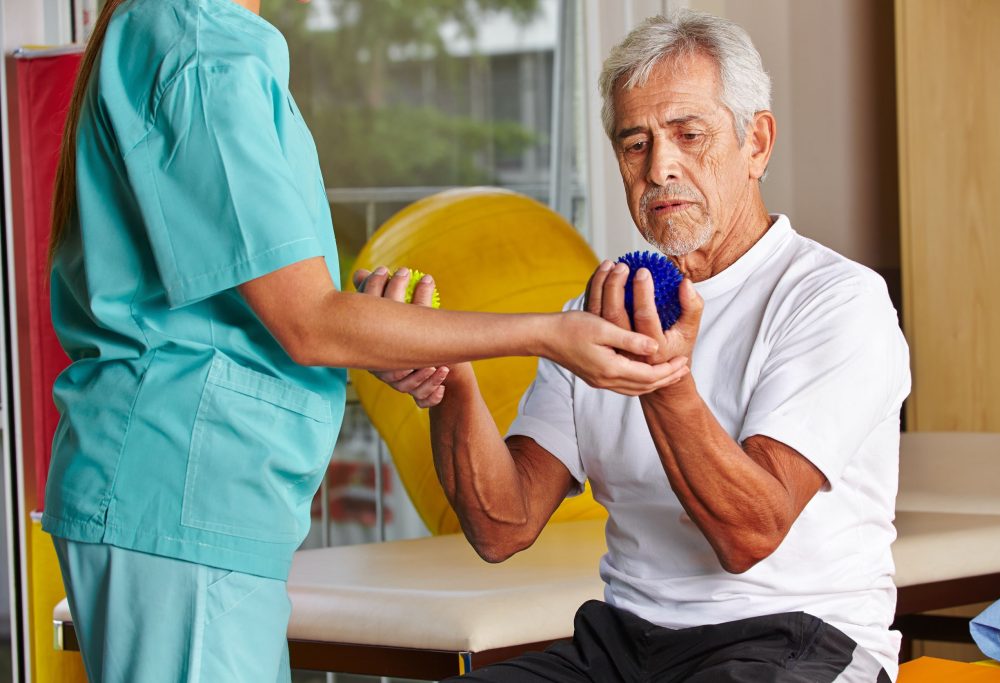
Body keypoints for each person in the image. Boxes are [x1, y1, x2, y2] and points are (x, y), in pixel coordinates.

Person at [42, 0, 689, 681]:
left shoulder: (195, 40)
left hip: (194, 496)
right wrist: (552, 335)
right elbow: (307, 323)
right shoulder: (203, 48)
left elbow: (261, 315)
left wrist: (394, 340)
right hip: (180, 492)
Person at [388, 9, 911, 683]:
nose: (660, 166)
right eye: (635, 144)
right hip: (625, 646)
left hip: (796, 639)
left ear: (756, 143)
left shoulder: (837, 300)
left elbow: (750, 534)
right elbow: (502, 525)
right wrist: (450, 381)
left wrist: (661, 376)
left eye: (689, 135)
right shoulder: (591, 313)